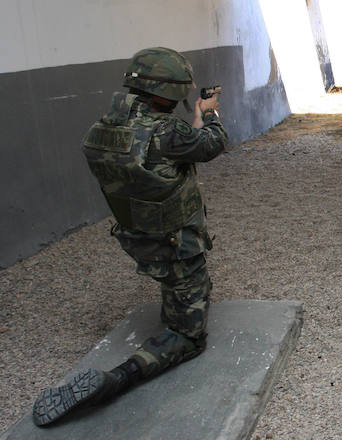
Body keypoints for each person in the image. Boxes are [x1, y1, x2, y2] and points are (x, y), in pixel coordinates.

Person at [32, 47, 228, 425]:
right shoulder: (169, 132)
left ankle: (176, 303)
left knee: (176, 286)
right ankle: (115, 380)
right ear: (170, 92)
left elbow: (162, 150)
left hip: (138, 236)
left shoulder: (102, 128)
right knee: (190, 336)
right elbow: (211, 144)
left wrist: (190, 122)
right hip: (177, 243)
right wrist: (209, 112)